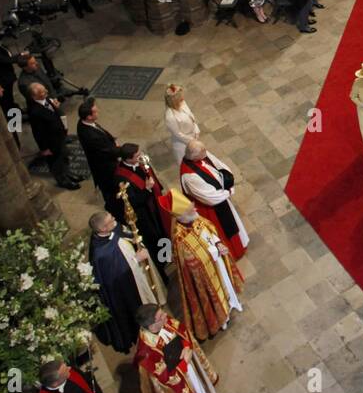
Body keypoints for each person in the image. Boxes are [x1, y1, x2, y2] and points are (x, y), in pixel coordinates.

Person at [89, 210, 161, 353]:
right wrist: (136, 260)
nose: (114, 220)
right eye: (110, 221)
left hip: (136, 277)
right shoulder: (102, 254)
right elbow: (115, 277)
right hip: (126, 289)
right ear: (103, 229)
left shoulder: (110, 231)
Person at [171, 207, 244, 340]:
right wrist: (210, 255)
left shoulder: (197, 218)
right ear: (182, 217)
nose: (194, 209)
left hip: (218, 263)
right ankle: (222, 319)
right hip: (204, 275)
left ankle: (232, 303)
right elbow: (187, 262)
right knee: (212, 295)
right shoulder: (179, 238)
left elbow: (211, 233)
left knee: (225, 285)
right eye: (189, 210)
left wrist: (218, 244)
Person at [179, 140, 249, 259]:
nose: (206, 153)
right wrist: (228, 191)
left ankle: (240, 244)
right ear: (194, 156)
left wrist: (228, 178)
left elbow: (217, 164)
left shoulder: (199, 156)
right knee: (223, 230)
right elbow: (209, 197)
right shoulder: (190, 177)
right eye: (203, 152)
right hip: (212, 209)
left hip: (221, 196)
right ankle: (233, 253)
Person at [134, 305, 219, 393]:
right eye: (161, 316)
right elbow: (164, 378)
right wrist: (184, 363)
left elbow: (181, 330)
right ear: (152, 327)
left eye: (163, 312)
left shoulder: (164, 321)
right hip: (182, 378)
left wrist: (186, 345)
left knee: (200, 389)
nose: (166, 315)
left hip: (188, 362)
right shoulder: (146, 354)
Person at [77, 97, 125, 219]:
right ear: (88, 117)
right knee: (110, 189)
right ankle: (115, 211)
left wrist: (112, 140)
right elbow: (106, 151)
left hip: (104, 158)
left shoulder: (85, 123)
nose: (98, 112)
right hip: (104, 167)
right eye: (95, 112)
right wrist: (122, 151)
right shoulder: (91, 136)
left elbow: (101, 132)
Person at [27, 83, 79, 190]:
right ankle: (62, 180)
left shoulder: (47, 100)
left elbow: (55, 113)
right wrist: (44, 149)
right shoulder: (35, 112)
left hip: (59, 136)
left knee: (64, 156)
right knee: (56, 162)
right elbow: (38, 132)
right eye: (42, 92)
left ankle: (68, 174)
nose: (46, 91)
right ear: (34, 97)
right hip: (50, 142)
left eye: (44, 89)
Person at [163, 83, 200, 167]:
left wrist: (196, 129)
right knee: (189, 164)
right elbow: (178, 134)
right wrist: (192, 140)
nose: (183, 98)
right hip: (183, 143)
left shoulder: (182, 102)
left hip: (193, 136)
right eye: (180, 97)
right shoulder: (170, 117)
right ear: (174, 100)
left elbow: (191, 115)